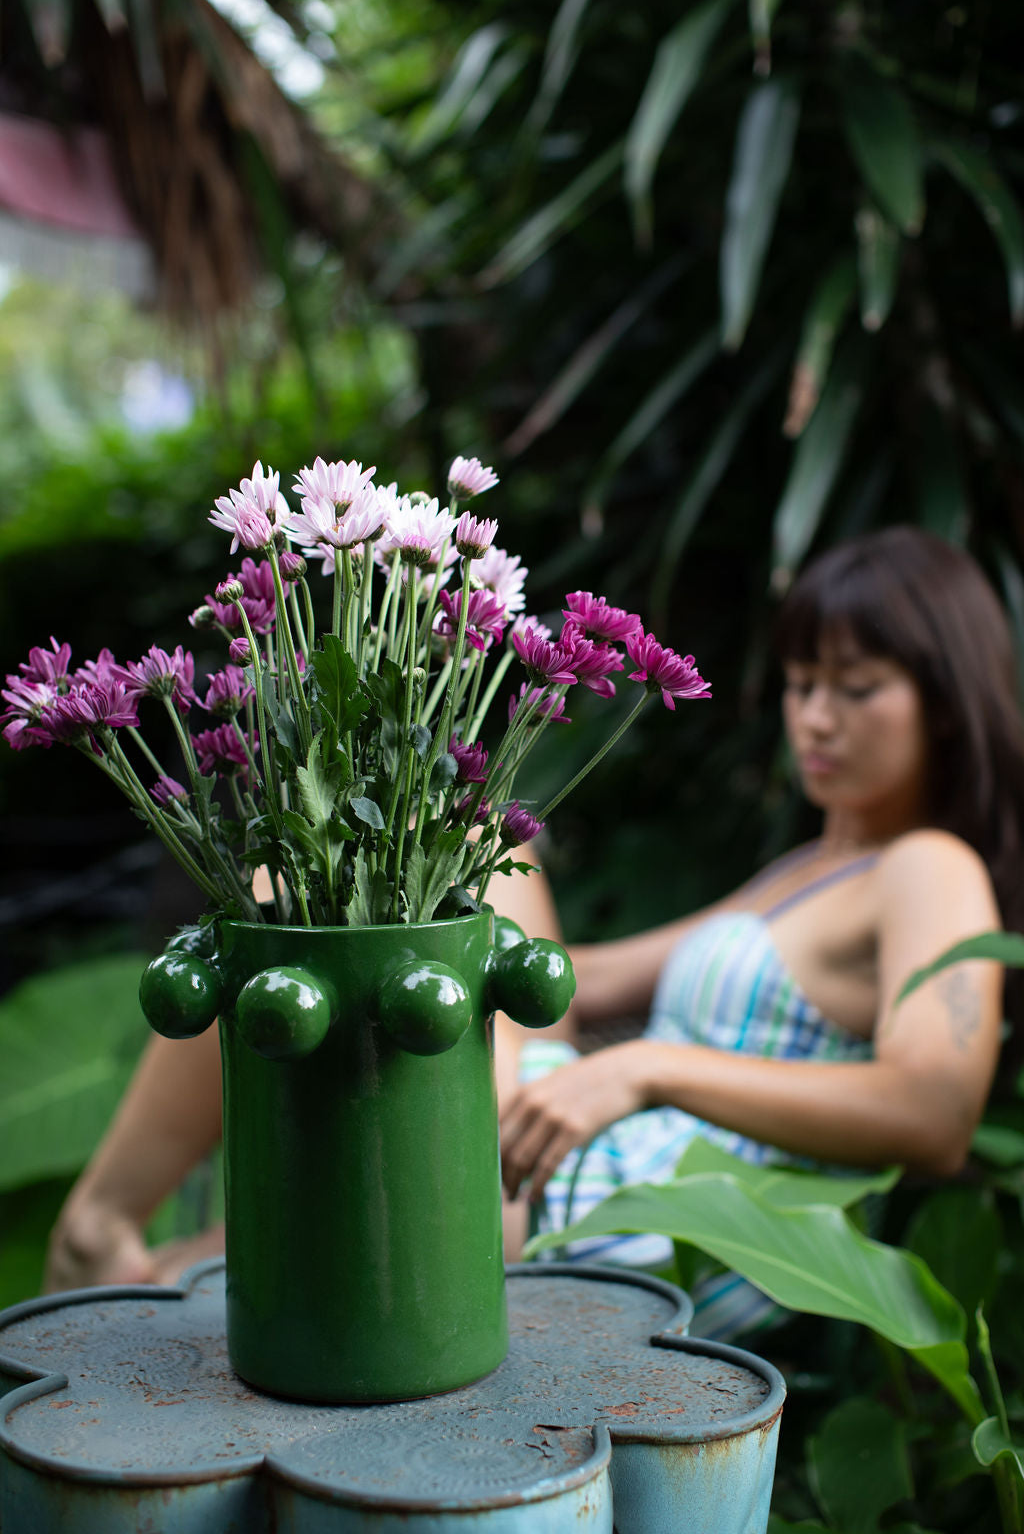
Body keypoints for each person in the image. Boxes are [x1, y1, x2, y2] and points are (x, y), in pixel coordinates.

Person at [497, 526, 1024, 1336]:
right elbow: (576, 982)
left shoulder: (931, 864)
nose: (815, 718)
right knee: (462, 847)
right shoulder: (810, 869)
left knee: (430, 863)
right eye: (802, 683)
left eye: (857, 688)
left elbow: (933, 1112)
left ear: (946, 705)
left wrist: (648, 1069)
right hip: (590, 1173)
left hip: (665, 1232)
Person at [43, 842, 572, 1292]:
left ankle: (102, 1231)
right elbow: (590, 977)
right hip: (509, 1117)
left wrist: (643, 1073)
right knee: (452, 836)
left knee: (339, 871)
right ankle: (112, 1234)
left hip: (524, 1161)